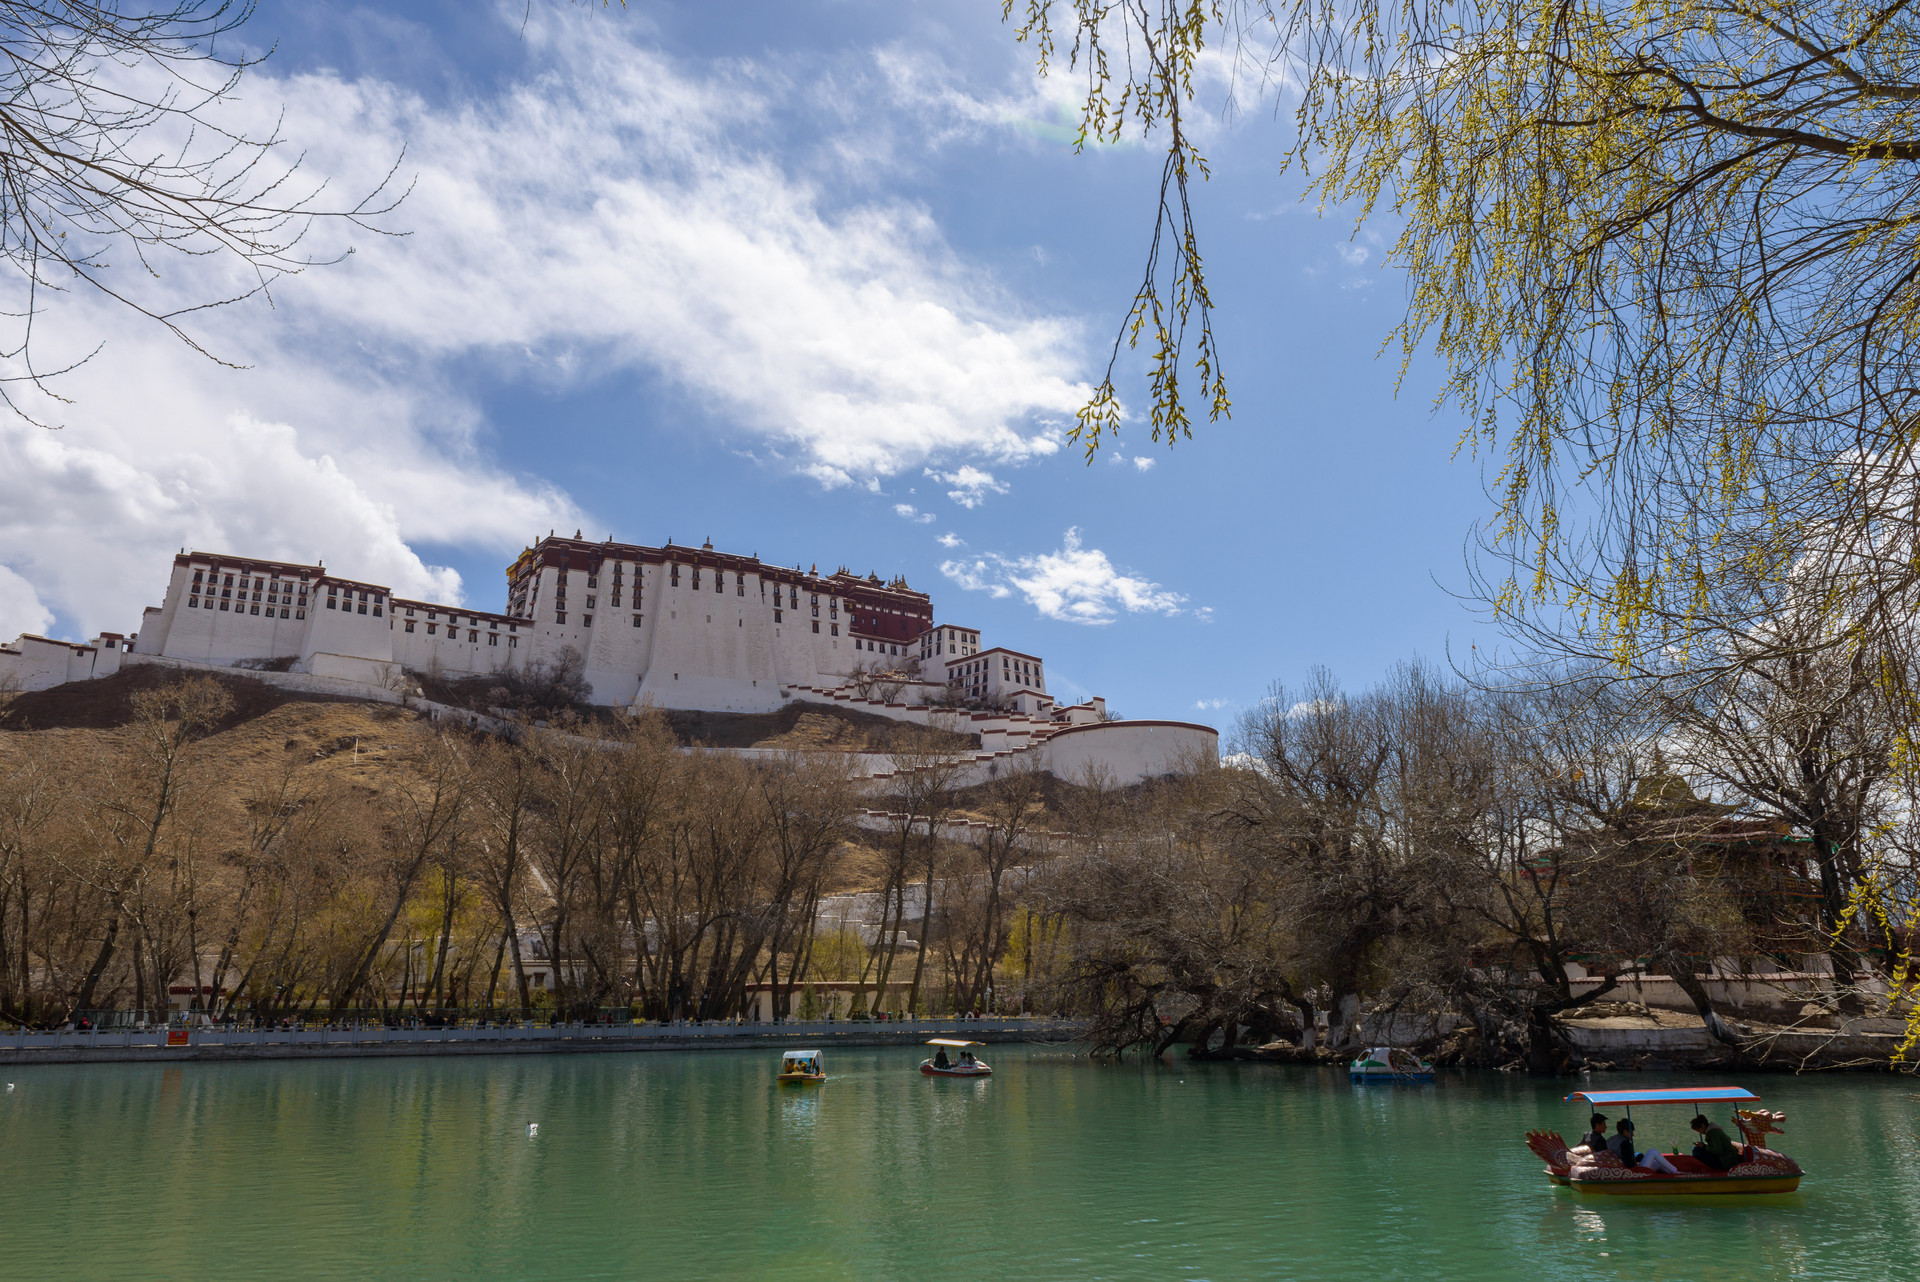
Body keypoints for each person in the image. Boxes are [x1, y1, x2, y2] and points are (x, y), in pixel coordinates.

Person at [1610, 1119, 1681, 1174]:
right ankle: (1676, 1172)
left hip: (1625, 1169)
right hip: (1635, 1173)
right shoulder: (1625, 1143)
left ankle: (1674, 1174)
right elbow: (1630, 1164)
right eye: (1631, 1132)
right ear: (1625, 1131)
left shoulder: (1612, 1139)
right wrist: (1636, 1162)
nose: (1633, 1135)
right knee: (1653, 1151)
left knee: (1657, 1163)